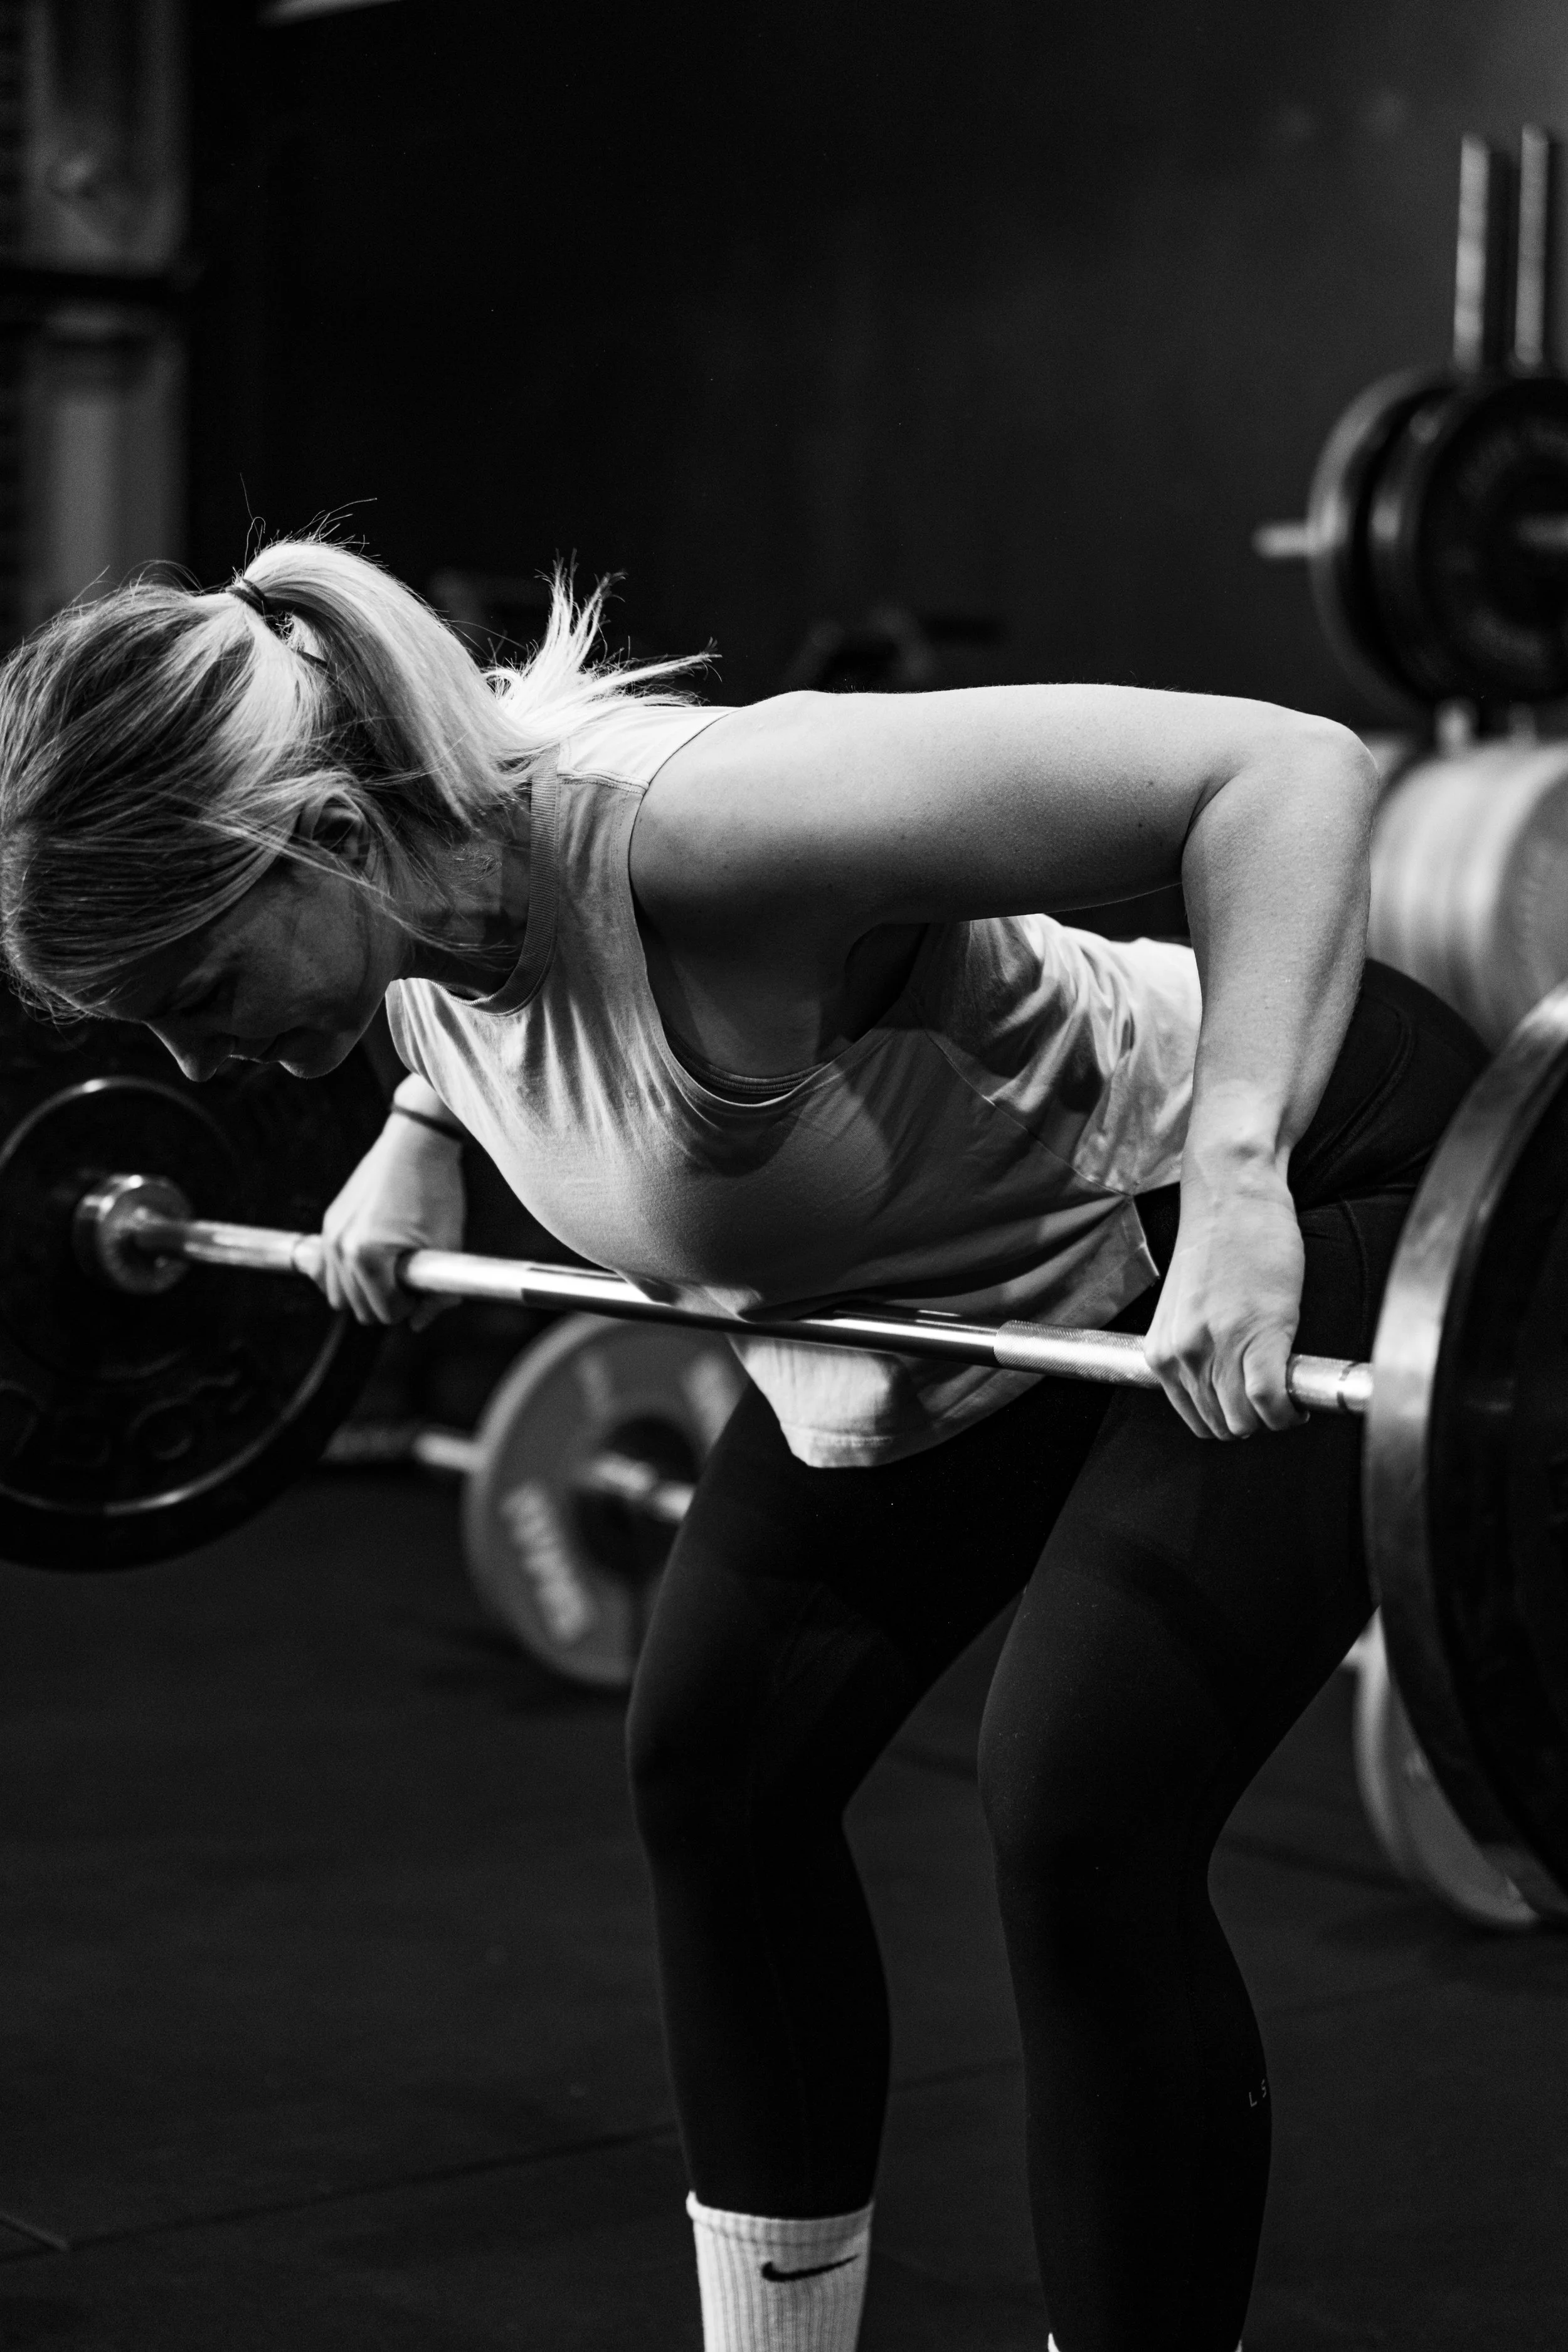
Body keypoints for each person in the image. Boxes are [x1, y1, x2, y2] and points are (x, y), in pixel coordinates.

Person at [0, 541, 1484, 2352]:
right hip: (969, 1292)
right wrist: (417, 1113)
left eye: (201, 986)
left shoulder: (704, 837)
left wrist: (1249, 1181)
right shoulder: (402, 892)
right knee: (713, 1762)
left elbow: (1281, 767)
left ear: (310, 835)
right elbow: (479, 987)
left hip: (1280, 1196)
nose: (189, 1055)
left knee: (1076, 1805)